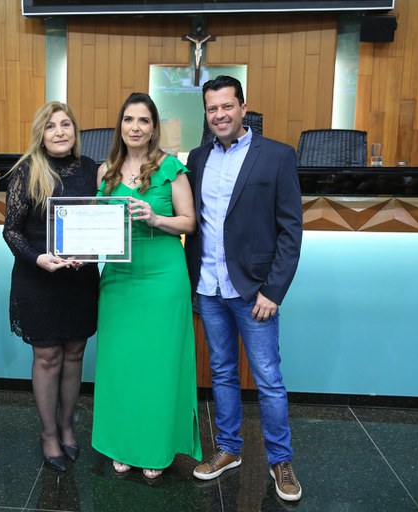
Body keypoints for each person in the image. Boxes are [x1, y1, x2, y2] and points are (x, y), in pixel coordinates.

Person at [183, 75, 303, 502]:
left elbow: (290, 230)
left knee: (268, 379)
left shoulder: (277, 156)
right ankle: (229, 448)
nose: (220, 115)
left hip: (255, 293)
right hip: (208, 287)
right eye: (212, 108)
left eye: (227, 106)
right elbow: (194, 222)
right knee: (221, 371)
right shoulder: (197, 158)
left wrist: (274, 291)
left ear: (243, 108)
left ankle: (280, 460)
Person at [92, 92, 202, 479]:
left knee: (158, 364)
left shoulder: (171, 168)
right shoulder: (105, 171)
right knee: (120, 364)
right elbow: (94, 225)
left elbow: (189, 222)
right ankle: (122, 443)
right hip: (119, 279)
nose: (135, 127)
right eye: (128, 119)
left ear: (154, 128)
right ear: (120, 126)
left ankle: (156, 446)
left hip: (162, 276)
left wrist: (155, 218)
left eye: (143, 120)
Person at [3, 101, 100, 472]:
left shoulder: (91, 169)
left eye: (66, 124)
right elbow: (11, 231)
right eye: (51, 126)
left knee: (75, 353)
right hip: (39, 279)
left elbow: (101, 221)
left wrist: (99, 249)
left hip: (79, 281)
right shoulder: (27, 171)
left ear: (75, 130)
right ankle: (48, 433)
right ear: (40, 134)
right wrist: (37, 258)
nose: (60, 132)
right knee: (47, 357)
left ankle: (67, 425)